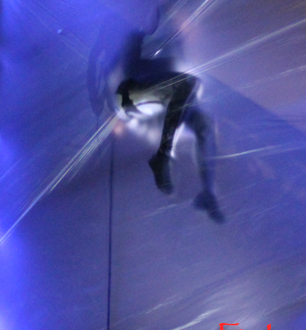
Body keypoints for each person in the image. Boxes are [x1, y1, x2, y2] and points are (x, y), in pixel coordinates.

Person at [96, 28, 224, 221]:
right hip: (128, 96)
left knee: (203, 122)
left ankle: (207, 193)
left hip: (155, 102)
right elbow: (129, 66)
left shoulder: (173, 62)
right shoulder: (160, 58)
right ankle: (164, 157)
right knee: (189, 86)